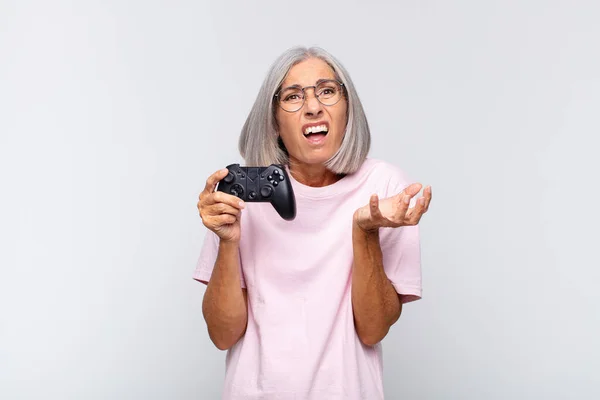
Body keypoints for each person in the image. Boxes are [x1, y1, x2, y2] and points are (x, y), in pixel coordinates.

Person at [194, 46, 432, 400]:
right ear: (274, 121)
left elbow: (373, 329)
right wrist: (227, 241)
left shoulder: (385, 190)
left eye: (327, 90)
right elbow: (222, 335)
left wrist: (364, 229)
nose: (313, 106)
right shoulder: (242, 197)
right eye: (293, 96)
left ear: (347, 107)